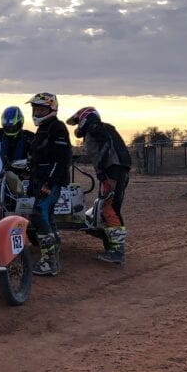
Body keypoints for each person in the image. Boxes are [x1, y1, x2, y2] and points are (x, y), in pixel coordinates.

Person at [66, 107, 132, 264]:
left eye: (78, 122)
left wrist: (102, 169)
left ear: (85, 118)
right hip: (118, 169)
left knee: (109, 208)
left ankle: (117, 251)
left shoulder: (95, 128)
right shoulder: (102, 128)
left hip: (112, 170)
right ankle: (113, 244)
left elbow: (105, 146)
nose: (77, 126)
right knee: (108, 207)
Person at [26, 92, 71, 276]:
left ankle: (49, 261)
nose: (37, 112)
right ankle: (54, 253)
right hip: (40, 178)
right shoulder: (43, 128)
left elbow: (61, 160)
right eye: (35, 108)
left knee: (38, 215)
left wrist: (49, 183)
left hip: (50, 181)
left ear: (51, 109)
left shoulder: (57, 128)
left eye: (41, 108)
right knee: (47, 216)